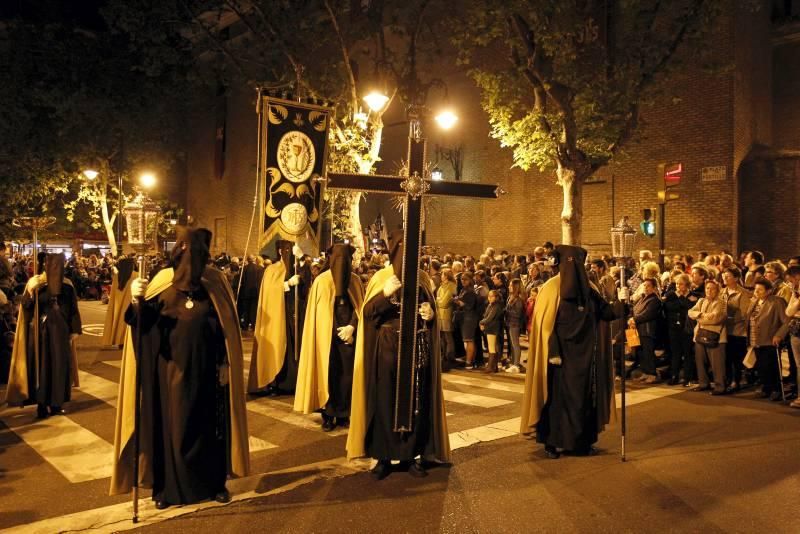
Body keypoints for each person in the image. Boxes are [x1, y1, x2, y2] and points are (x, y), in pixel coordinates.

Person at [109, 227, 249, 508]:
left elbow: (226, 328)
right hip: (169, 372)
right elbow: (141, 325)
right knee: (171, 428)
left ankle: (214, 483)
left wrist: (224, 362)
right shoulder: (161, 281)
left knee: (211, 428)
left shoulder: (214, 281)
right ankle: (166, 489)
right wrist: (136, 300)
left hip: (208, 373)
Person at [346, 231, 450, 480]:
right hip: (387, 349)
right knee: (384, 402)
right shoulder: (381, 277)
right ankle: (383, 457)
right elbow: (368, 314)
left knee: (416, 403)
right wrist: (384, 294)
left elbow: (429, 306)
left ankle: (411, 455)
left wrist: (430, 314)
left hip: (415, 349)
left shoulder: (422, 277)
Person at [520, 245, 623, 459]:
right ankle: (552, 442)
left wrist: (622, 304)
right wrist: (553, 351)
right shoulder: (550, 288)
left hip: (585, 361)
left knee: (584, 401)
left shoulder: (590, 290)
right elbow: (544, 326)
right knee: (556, 401)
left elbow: (606, 313)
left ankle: (580, 443)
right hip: (559, 361)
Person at [294, 243, 364, 431]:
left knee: (347, 376)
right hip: (327, 339)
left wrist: (351, 327)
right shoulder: (322, 281)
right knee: (327, 375)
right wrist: (334, 331)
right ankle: (328, 415)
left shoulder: (355, 281)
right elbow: (320, 313)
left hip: (349, 337)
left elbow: (360, 308)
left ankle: (343, 413)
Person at [5, 253, 82, 418]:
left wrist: (74, 330)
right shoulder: (37, 284)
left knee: (59, 367)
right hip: (40, 333)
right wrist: (31, 292)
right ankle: (41, 404)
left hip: (61, 333)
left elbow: (73, 311)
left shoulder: (67, 286)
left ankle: (56, 403)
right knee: (40, 367)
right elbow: (26, 306)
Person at [248, 240, 310, 396]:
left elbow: (306, 279)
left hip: (294, 315)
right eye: (287, 249)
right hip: (278, 316)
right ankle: (277, 382)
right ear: (281, 251)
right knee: (279, 345)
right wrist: (287, 284)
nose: (290, 253)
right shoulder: (272, 269)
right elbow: (269, 292)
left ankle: (293, 382)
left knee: (295, 348)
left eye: (292, 249)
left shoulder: (296, 267)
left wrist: (302, 259)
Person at [745, 278, 787, 401]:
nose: (756, 292)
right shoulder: (755, 301)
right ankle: (766, 387)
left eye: (760, 290)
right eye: (755, 289)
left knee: (771, 365)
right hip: (755, 339)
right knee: (761, 366)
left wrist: (779, 335)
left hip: (770, 338)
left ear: (769, 291)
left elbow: (786, 321)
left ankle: (776, 389)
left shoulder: (777, 302)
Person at [688, 279, 728, 395]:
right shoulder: (701, 301)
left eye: (712, 288)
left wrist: (699, 318)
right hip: (700, 335)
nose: (709, 291)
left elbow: (716, 319)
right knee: (700, 361)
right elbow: (690, 312)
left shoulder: (721, 303)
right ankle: (703, 384)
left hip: (716, 337)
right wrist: (702, 315)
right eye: (707, 288)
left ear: (718, 290)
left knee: (717, 364)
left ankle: (720, 387)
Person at [721, 267, 751, 391]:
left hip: (737, 331)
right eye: (724, 276)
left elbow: (745, 314)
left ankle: (735, 381)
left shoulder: (742, 293)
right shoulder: (722, 291)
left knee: (736, 358)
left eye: (728, 276)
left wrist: (731, 317)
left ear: (736, 278)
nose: (725, 278)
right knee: (726, 357)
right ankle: (727, 379)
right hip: (724, 330)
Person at [663, 273, 695, 386]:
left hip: (686, 329)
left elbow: (690, 307)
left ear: (687, 285)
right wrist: (681, 301)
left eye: (681, 284)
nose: (678, 286)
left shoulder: (692, 295)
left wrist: (680, 299)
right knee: (675, 353)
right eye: (676, 284)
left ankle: (687, 378)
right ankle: (674, 376)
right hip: (673, 328)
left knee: (687, 353)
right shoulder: (671, 294)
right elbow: (669, 307)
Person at [629, 278, 662, 384]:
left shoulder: (655, 300)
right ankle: (645, 372)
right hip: (638, 330)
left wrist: (634, 319)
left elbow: (648, 314)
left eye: (648, 286)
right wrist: (631, 319)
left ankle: (652, 374)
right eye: (644, 285)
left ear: (654, 288)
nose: (646, 288)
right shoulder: (643, 298)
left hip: (647, 331)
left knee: (648, 353)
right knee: (641, 353)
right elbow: (635, 311)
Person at [102, 257, 137, 347]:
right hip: (130, 304)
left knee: (118, 320)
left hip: (118, 304)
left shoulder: (117, 276)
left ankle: (118, 340)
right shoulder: (135, 275)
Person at [452, 272, 479, 369]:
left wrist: (457, 301)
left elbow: (468, 305)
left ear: (470, 280)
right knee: (467, 340)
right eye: (462, 279)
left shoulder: (471, 291)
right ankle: (470, 359)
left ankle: (469, 363)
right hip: (465, 317)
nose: (463, 281)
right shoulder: (464, 289)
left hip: (469, 318)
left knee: (469, 340)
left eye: (465, 279)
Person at [781, 266, 800, 408]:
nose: (791, 283)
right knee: (799, 365)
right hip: (796, 330)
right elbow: (789, 311)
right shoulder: (795, 292)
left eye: (792, 280)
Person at [435, 269, 457, 372]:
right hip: (440, 314)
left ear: (447, 276)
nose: (441, 276)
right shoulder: (442, 285)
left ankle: (449, 357)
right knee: (442, 337)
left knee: (448, 337)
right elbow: (437, 299)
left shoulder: (451, 286)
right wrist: (439, 300)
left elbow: (444, 303)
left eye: (442, 274)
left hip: (446, 315)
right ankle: (443, 356)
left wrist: (439, 300)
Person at [479, 289, 504, 374]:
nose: (489, 298)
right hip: (491, 327)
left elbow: (490, 318)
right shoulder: (492, 305)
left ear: (496, 297)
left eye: (491, 296)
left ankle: (490, 367)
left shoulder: (496, 306)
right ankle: (494, 367)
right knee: (492, 347)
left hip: (492, 328)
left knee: (491, 348)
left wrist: (481, 322)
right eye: (488, 296)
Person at [238, 255, 265, 331]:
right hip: (255, 292)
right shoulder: (260, 268)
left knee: (246, 309)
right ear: (254, 259)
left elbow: (242, 281)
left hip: (246, 292)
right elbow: (260, 281)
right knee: (254, 309)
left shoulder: (243, 269)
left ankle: (245, 325)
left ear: (248, 260)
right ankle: (253, 325)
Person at [504, 278, 525, 373]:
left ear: (516, 287)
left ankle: (516, 365)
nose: (509, 287)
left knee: (515, 344)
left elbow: (518, 314)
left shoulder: (519, 299)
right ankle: (513, 362)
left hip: (514, 324)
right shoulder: (511, 297)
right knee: (512, 345)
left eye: (511, 285)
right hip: (510, 323)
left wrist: (506, 311)